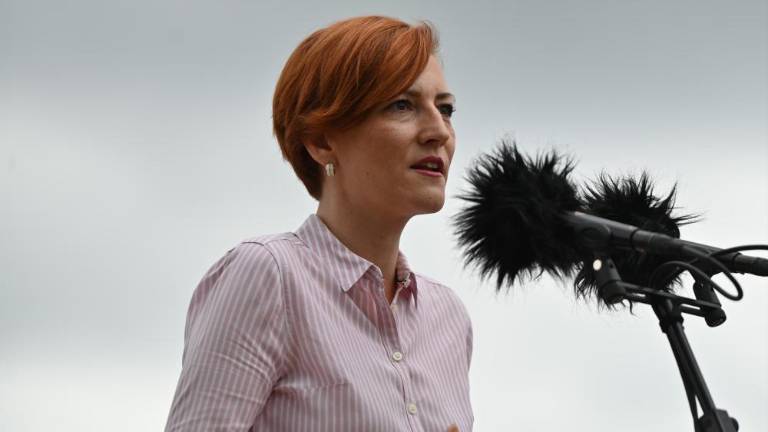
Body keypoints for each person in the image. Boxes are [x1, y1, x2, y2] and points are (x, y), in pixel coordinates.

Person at [164, 15, 473, 432]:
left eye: (445, 109)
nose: (439, 131)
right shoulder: (269, 276)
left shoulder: (448, 318)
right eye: (402, 105)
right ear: (322, 140)